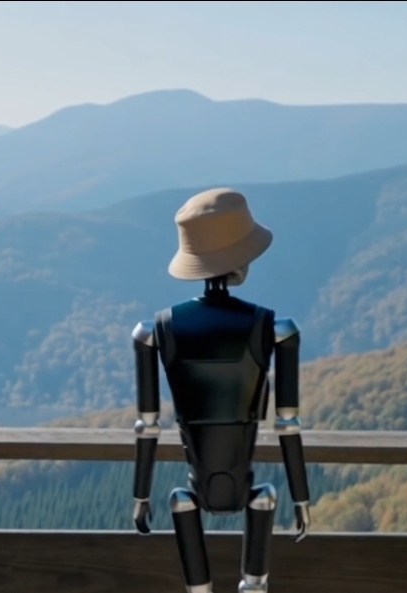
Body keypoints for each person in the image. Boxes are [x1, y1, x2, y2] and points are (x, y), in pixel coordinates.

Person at [129, 188, 311, 593]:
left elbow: (147, 425)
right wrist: (301, 498)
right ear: (240, 261)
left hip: (191, 491)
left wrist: (140, 496)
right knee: (263, 501)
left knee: (183, 501)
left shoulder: (153, 331)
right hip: (251, 490)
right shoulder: (276, 329)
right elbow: (288, 424)